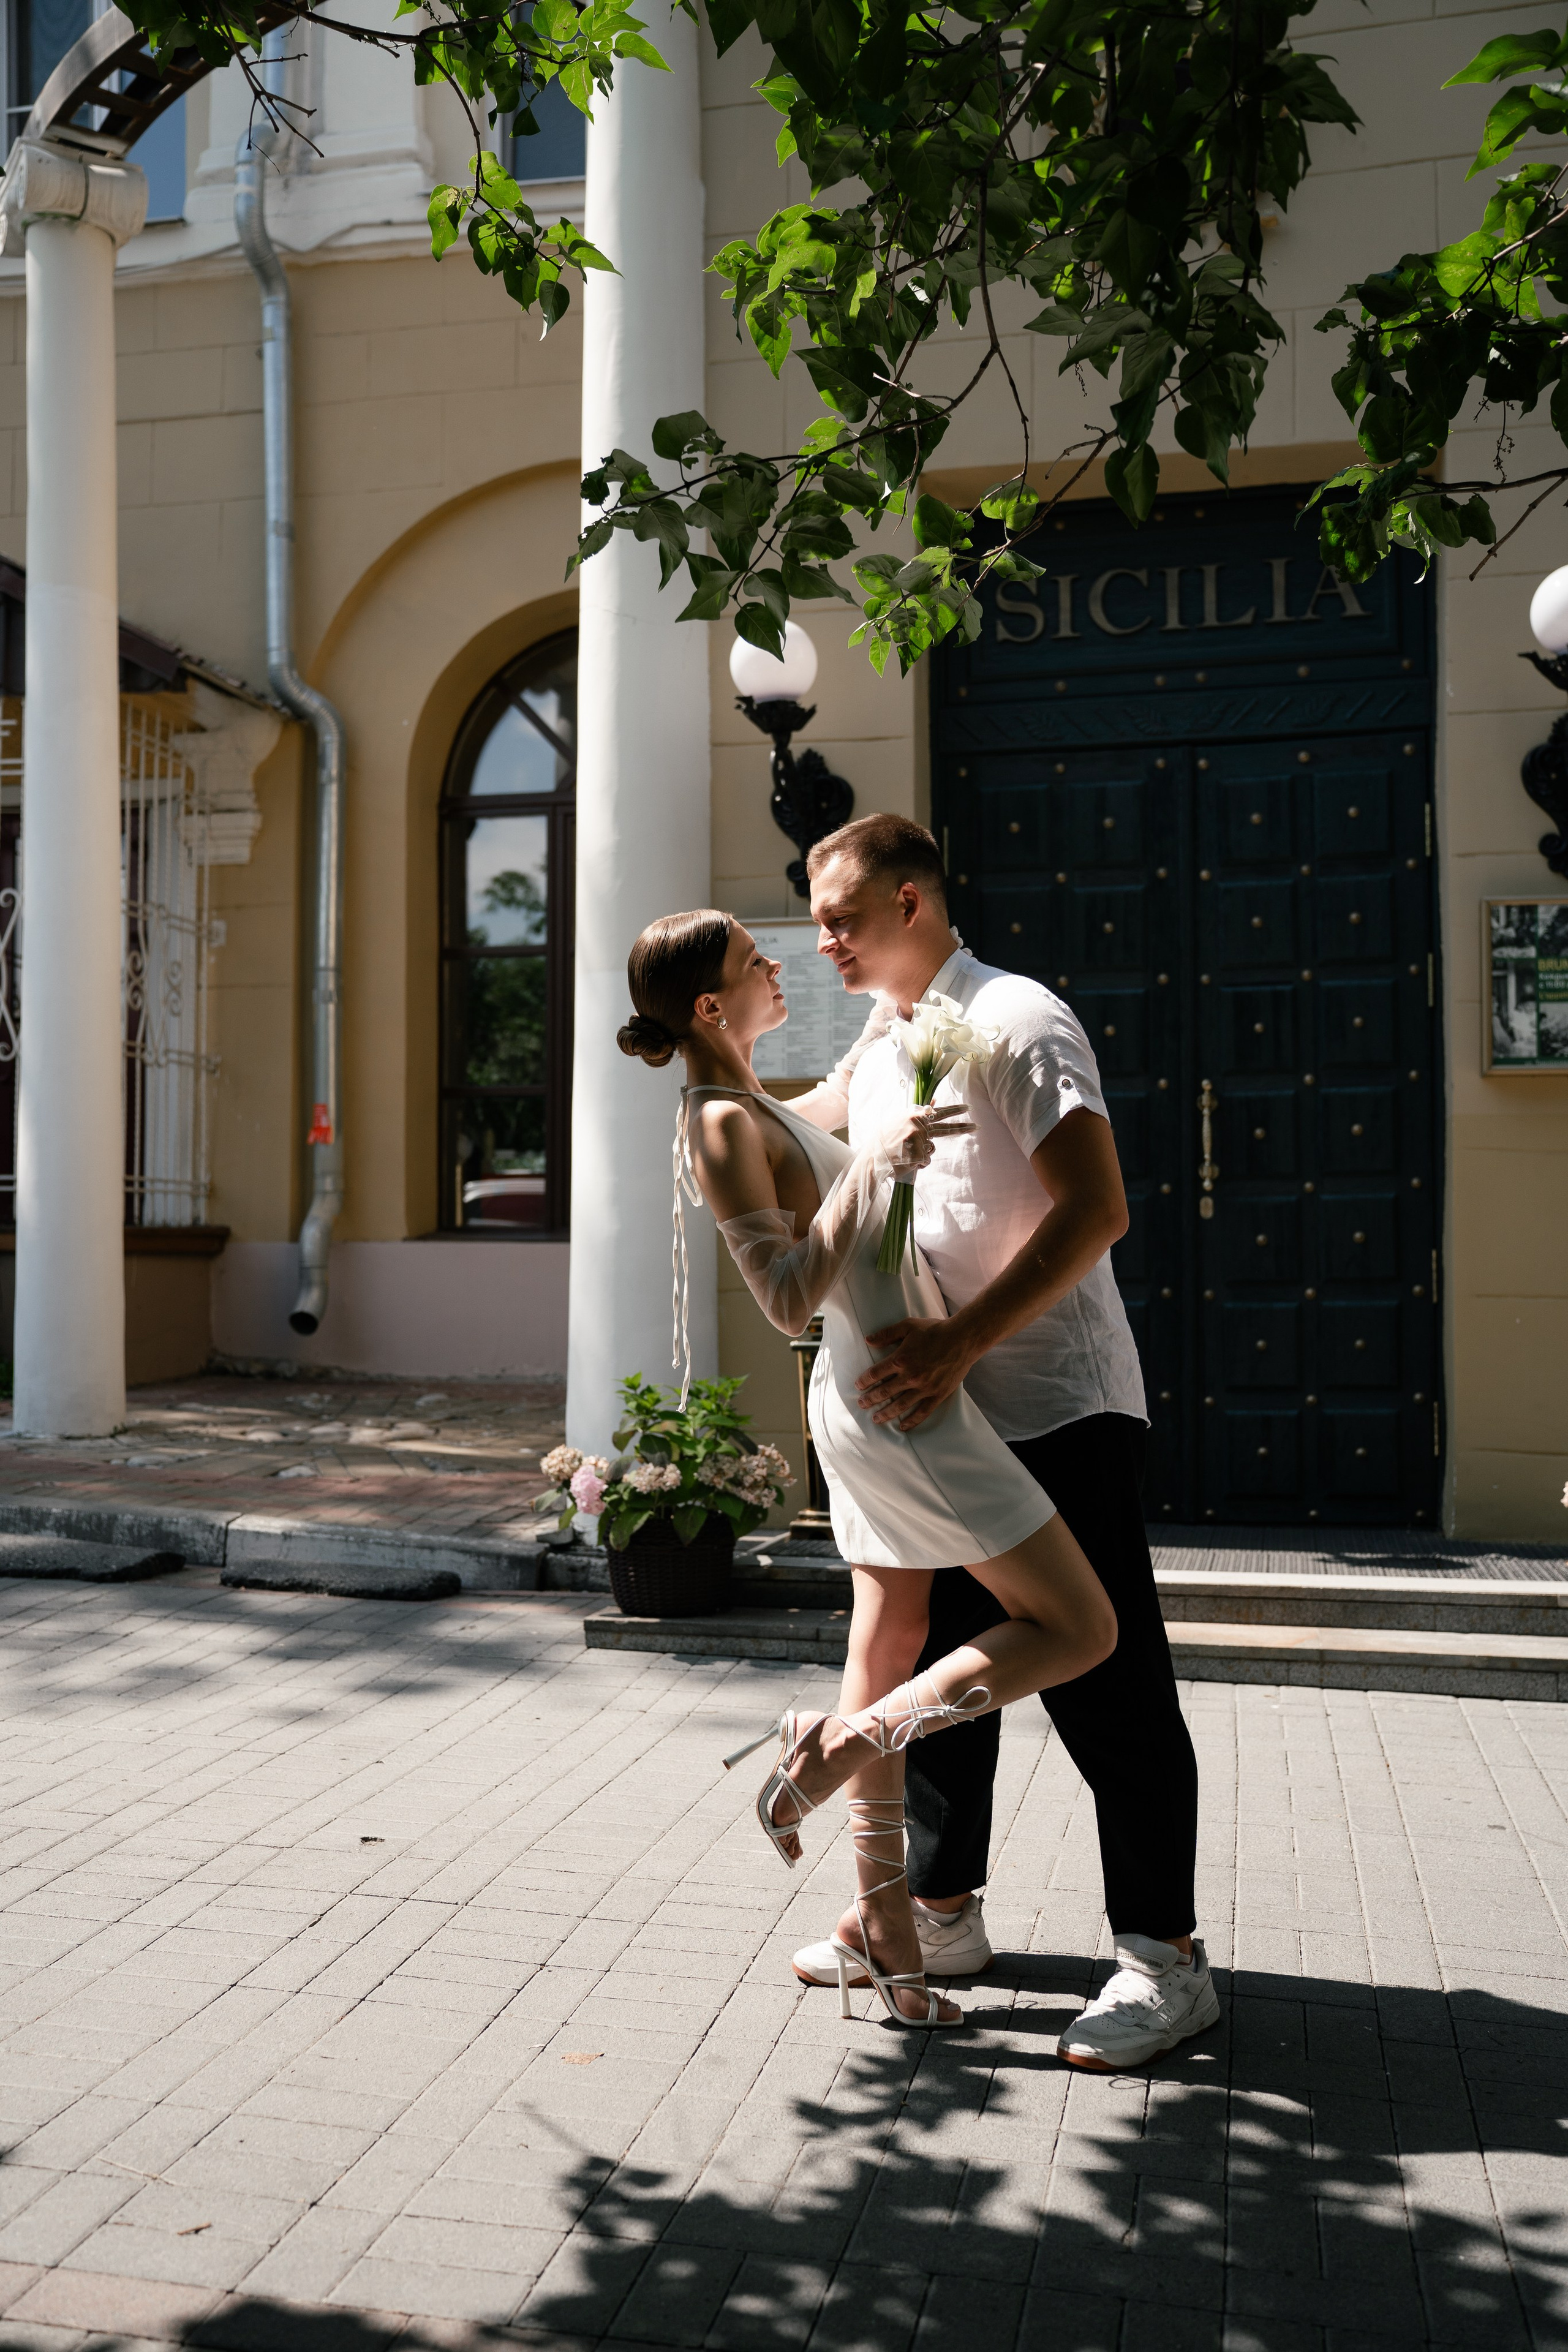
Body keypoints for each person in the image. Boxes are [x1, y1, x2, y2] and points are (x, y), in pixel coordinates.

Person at [617, 908, 1118, 2029]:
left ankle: (890, 1941)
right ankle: (835, 1746)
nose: (782, 967)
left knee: (890, 1648)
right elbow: (787, 1297)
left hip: (885, 1392)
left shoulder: (757, 1104)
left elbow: (869, 1068)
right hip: (895, 1401)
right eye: (758, 963)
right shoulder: (713, 1124)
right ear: (709, 1006)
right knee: (1084, 1631)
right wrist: (878, 1169)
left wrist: (912, 1013)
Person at [781, 813, 1217, 2073]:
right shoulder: (888, 1036)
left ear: (913, 902)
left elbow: (1098, 1209)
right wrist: (706, 1067)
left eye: (843, 921)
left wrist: (960, 1342)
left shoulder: (1013, 1020)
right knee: (949, 1692)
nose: (823, 946)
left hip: (1055, 1409)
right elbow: (801, 1124)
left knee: (1108, 1693)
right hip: (948, 1425)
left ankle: (1162, 1960)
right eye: (814, 925)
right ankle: (937, 1916)